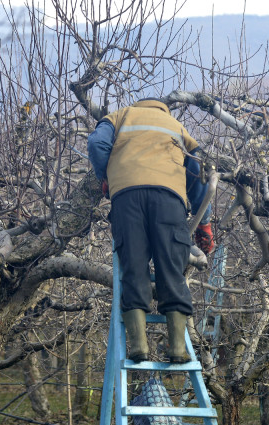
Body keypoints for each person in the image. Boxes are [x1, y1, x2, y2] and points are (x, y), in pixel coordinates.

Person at [88, 97, 215, 363]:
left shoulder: (119, 116)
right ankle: (178, 349)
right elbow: (198, 172)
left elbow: (96, 143)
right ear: (163, 109)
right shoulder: (177, 126)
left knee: (133, 266)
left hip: (127, 197)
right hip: (169, 199)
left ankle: (138, 347)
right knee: (172, 267)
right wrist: (204, 225)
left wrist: (107, 177)